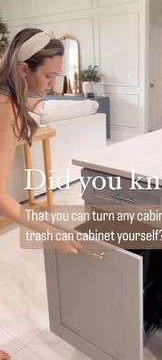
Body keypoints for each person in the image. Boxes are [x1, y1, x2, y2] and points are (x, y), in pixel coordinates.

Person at [0, 28, 82, 360]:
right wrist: (51, 232)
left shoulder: (8, 98)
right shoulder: (7, 107)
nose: (52, 82)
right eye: (48, 75)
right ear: (23, 69)